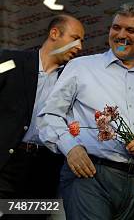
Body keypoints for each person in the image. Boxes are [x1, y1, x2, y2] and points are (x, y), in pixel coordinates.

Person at [38, 3, 134, 220]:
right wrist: (71, 148)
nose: (121, 35)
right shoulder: (81, 67)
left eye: (131, 30)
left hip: (133, 179)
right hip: (88, 173)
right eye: (116, 28)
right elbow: (49, 115)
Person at [0, 15, 84, 211]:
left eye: (82, 41)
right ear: (54, 33)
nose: (79, 47)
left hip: (44, 170)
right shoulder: (10, 61)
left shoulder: (73, 81)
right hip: (5, 164)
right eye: (75, 38)